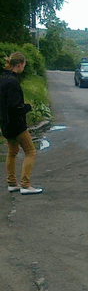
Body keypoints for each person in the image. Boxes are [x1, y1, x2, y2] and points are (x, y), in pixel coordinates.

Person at [0, 52, 42, 194]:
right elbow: (15, 107)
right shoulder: (13, 82)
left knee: (12, 152)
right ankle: (25, 185)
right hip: (16, 124)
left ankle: (12, 183)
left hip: (5, 123)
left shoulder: (3, 79)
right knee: (30, 151)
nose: (23, 67)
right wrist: (27, 107)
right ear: (19, 64)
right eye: (23, 65)